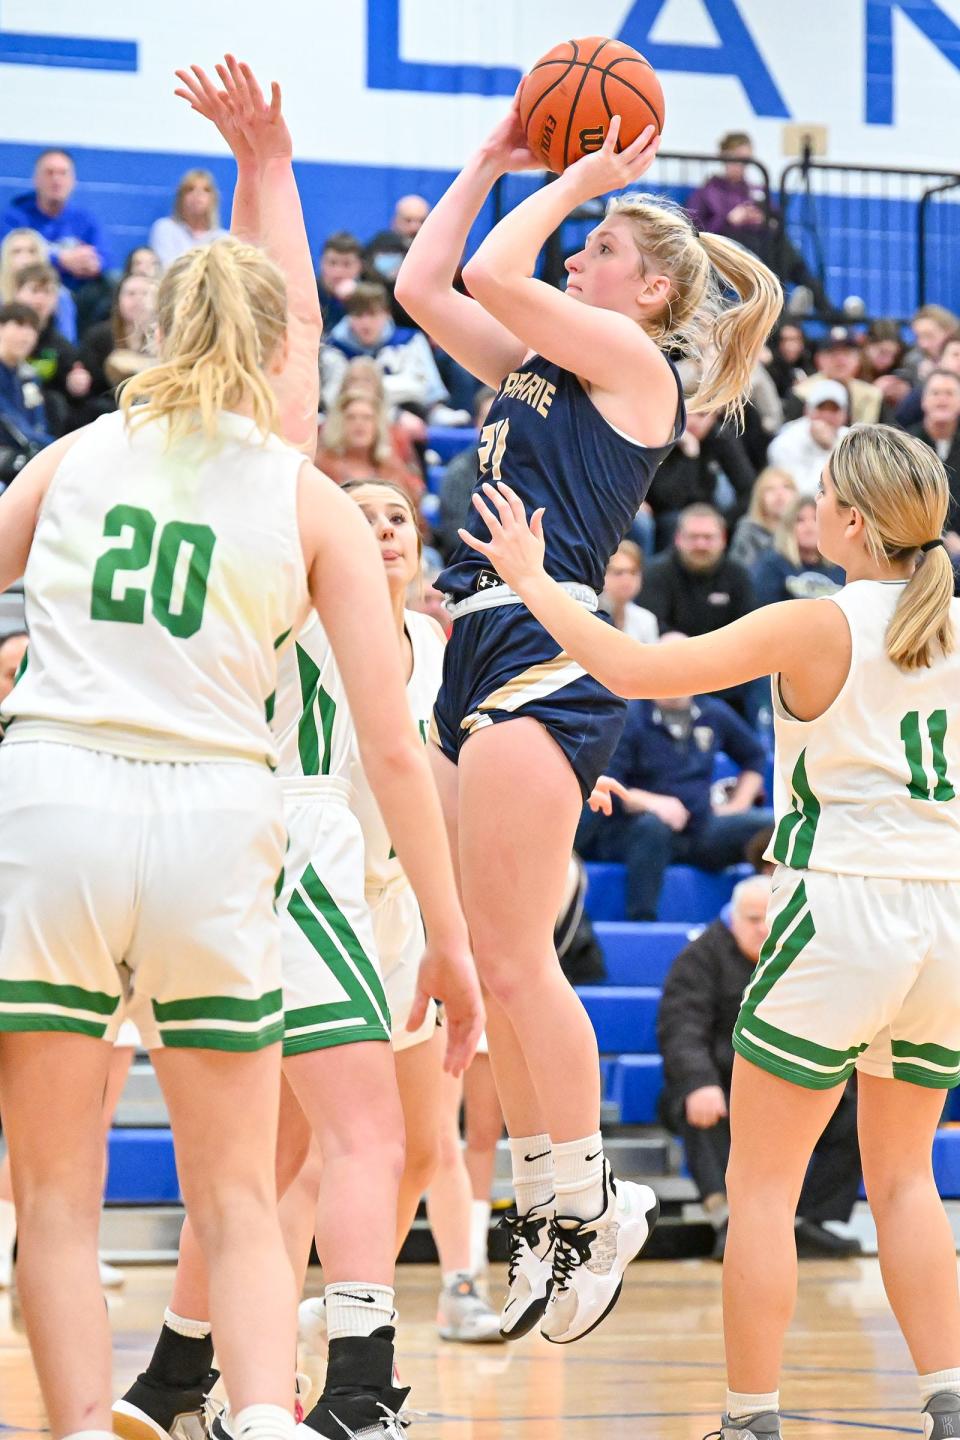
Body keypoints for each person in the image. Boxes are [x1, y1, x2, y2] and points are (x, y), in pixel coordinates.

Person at [0, 55, 476, 1440]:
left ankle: (91, 1424)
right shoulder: (304, 492)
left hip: (58, 804)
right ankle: (265, 1416)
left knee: (56, 1201)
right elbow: (394, 748)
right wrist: (447, 932)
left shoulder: (71, 457)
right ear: (283, 357)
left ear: (151, 330)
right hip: (224, 817)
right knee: (235, 1189)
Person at [457, 423, 960, 1440]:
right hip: (947, 916)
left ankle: (749, 1417)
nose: (808, 510)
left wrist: (532, 580)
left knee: (761, 1187)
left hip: (843, 902)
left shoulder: (821, 623)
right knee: (906, 1178)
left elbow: (634, 671)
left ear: (853, 523)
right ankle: (948, 1399)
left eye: (820, 496)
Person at [395, 92, 781, 1345]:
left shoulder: (638, 372)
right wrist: (498, 155)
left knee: (513, 957)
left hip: (548, 647)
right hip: (478, 640)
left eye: (601, 247)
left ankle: (585, 1203)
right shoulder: (545, 365)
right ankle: (563, 1211)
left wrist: (572, 179)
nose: (576, 253)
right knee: (486, 962)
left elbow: (498, 264)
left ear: (652, 293)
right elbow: (421, 285)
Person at [657, 875, 863, 1262]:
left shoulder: (803, 956)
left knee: (858, 1114)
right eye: (753, 919)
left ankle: (809, 1223)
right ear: (732, 919)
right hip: (721, 1086)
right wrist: (698, 1082)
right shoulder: (700, 957)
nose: (764, 927)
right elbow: (680, 1028)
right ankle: (729, 1221)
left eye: (771, 917)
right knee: (699, 1107)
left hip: (791, 1086)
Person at [574, 646, 774, 921]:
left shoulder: (712, 712)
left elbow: (754, 755)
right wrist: (654, 804)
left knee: (770, 826)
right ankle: (642, 922)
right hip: (636, 830)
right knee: (652, 828)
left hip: (700, 828)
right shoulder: (630, 717)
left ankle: (770, 910)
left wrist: (738, 804)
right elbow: (608, 785)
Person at [0, 149, 113, 331]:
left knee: (109, 285)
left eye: (63, 173)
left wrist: (93, 263)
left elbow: (105, 259)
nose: (56, 179)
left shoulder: (85, 219)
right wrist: (60, 259)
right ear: (36, 179)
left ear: (73, 181)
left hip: (76, 292)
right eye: (49, 172)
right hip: (22, 289)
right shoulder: (15, 216)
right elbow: (6, 253)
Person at [321, 282, 455, 422]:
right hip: (347, 421)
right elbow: (332, 397)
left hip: (408, 415)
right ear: (348, 316)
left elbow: (424, 389)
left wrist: (366, 388)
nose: (365, 323)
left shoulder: (409, 340)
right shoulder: (333, 347)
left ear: (386, 314)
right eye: (358, 315)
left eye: (372, 315)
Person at [642, 503, 757, 639]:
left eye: (708, 537)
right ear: (678, 538)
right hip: (674, 654)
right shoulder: (656, 573)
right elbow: (652, 625)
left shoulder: (738, 575)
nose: (701, 545)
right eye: (693, 537)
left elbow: (749, 627)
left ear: (723, 538)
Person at [13, 261, 92, 432]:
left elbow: (70, 388)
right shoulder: (4, 331)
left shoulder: (61, 345)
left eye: (48, 292)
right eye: (34, 290)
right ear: (17, 293)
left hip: (43, 413)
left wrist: (74, 386)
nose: (40, 299)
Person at [315, 387, 421, 496]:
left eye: (367, 418)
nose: (359, 423)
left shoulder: (391, 466)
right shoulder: (321, 466)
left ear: (378, 425)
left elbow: (409, 507)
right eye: (351, 417)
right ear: (339, 424)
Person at [79, 273, 158, 411]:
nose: (138, 299)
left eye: (145, 294)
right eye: (131, 294)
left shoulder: (164, 337)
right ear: (118, 300)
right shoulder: (97, 336)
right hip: (107, 408)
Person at [435, 387, 496, 560]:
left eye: (504, 417)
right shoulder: (460, 472)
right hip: (475, 568)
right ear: (477, 424)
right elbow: (457, 538)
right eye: (489, 417)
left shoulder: (532, 466)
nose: (497, 424)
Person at [750, 496, 844, 605]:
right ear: (788, 527)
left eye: (816, 519)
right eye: (800, 520)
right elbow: (762, 610)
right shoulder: (772, 565)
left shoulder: (842, 566)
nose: (809, 527)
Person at [768, 378, 849, 496]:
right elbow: (800, 495)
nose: (826, 416)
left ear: (844, 415)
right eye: (821, 408)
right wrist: (825, 448)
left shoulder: (850, 439)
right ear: (807, 410)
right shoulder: (786, 442)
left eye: (834, 410)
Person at [0, 302, 53, 483]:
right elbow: (12, 425)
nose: (26, 335)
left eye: (33, 329)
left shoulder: (29, 377)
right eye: (19, 325)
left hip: (26, 453)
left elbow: (38, 424)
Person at [908, 369, 960, 550]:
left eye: (949, 393)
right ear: (923, 400)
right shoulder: (905, 445)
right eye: (935, 393)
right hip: (915, 541)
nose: (942, 399)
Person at [790, 328, 881, 425]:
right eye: (832, 353)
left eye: (847, 353)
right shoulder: (801, 394)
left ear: (858, 359)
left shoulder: (871, 395)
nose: (840, 360)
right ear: (818, 359)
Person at [0, 228, 77, 340]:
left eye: (32, 251)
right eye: (16, 252)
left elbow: (68, 340)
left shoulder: (61, 296)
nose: (25, 259)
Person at [149, 168, 228, 270]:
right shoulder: (165, 228)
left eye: (206, 190)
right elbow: (167, 269)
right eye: (190, 189)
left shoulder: (222, 238)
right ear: (180, 197)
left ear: (213, 199)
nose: (197, 195)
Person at [729, 468, 798, 569]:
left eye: (786, 487)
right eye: (770, 489)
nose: (779, 494)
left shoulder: (807, 529)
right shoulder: (748, 530)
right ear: (759, 497)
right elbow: (741, 571)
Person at [599, 540, 658, 643]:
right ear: (601, 574)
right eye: (618, 572)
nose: (627, 579)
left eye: (633, 572)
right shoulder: (587, 614)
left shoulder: (646, 619)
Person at [316, 231, 364, 332]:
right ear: (321, 264)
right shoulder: (308, 295)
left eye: (347, 264)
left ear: (360, 266)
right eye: (332, 263)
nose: (338, 272)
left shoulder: (370, 297)